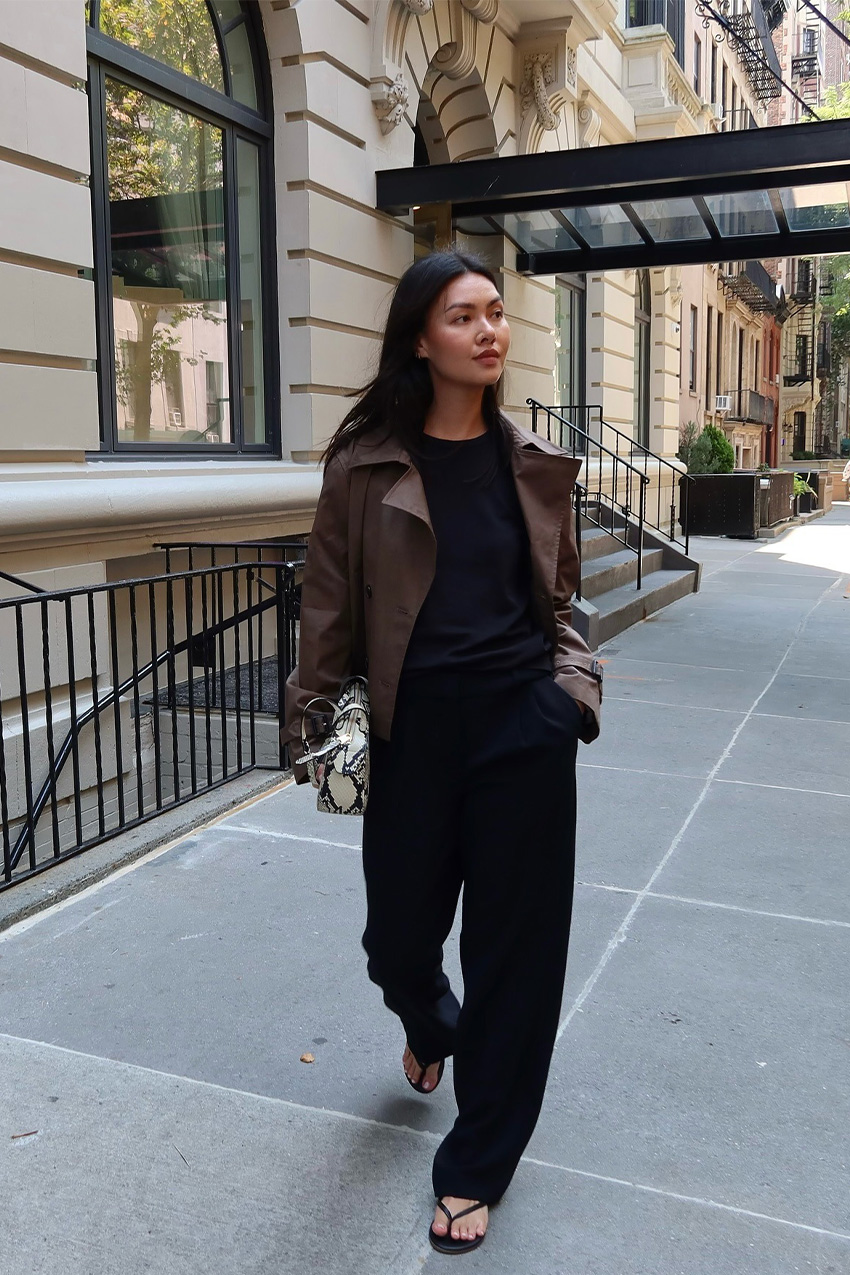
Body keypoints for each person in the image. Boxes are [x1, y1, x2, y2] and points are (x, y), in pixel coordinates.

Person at [284, 249, 602, 1255]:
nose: (489, 331)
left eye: (496, 314)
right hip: (411, 730)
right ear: (420, 337)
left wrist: (570, 702)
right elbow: (327, 607)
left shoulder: (533, 464)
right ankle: (427, 1021)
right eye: (464, 316)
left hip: (520, 727)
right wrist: (311, 722)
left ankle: (478, 1161)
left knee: (517, 959)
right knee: (398, 941)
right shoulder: (365, 465)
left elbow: (561, 606)